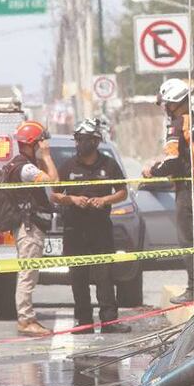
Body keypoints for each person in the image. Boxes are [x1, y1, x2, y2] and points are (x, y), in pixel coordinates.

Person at [50, 118, 132, 334]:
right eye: (77, 140)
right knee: (78, 278)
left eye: (84, 140)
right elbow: (55, 194)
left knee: (104, 276)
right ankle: (84, 322)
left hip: (100, 229)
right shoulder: (68, 166)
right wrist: (72, 200)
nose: (79, 144)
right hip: (75, 230)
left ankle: (109, 321)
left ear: (95, 142)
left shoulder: (108, 164)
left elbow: (122, 191)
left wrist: (105, 200)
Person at [145, 79, 194, 304]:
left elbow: (173, 162)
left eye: (166, 104)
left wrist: (152, 170)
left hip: (189, 192)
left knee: (190, 242)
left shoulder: (177, 125)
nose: (164, 108)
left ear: (174, 103)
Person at [7, 120, 59, 337]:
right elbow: (54, 181)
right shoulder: (26, 168)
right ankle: (26, 320)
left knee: (29, 274)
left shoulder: (24, 164)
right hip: (29, 229)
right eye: (41, 142)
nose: (43, 146)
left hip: (28, 227)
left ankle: (27, 318)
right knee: (28, 275)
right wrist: (46, 157)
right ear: (32, 143)